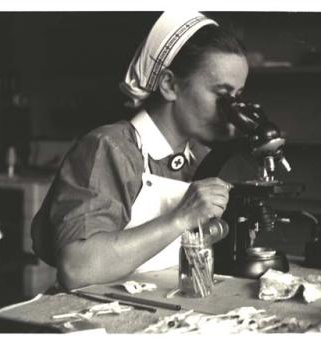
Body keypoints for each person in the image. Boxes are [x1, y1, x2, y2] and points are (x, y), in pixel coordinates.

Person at [31, 11, 249, 290]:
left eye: (238, 97)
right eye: (222, 95)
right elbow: (78, 267)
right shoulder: (110, 148)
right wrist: (182, 217)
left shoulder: (199, 155)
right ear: (170, 85)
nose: (232, 110)